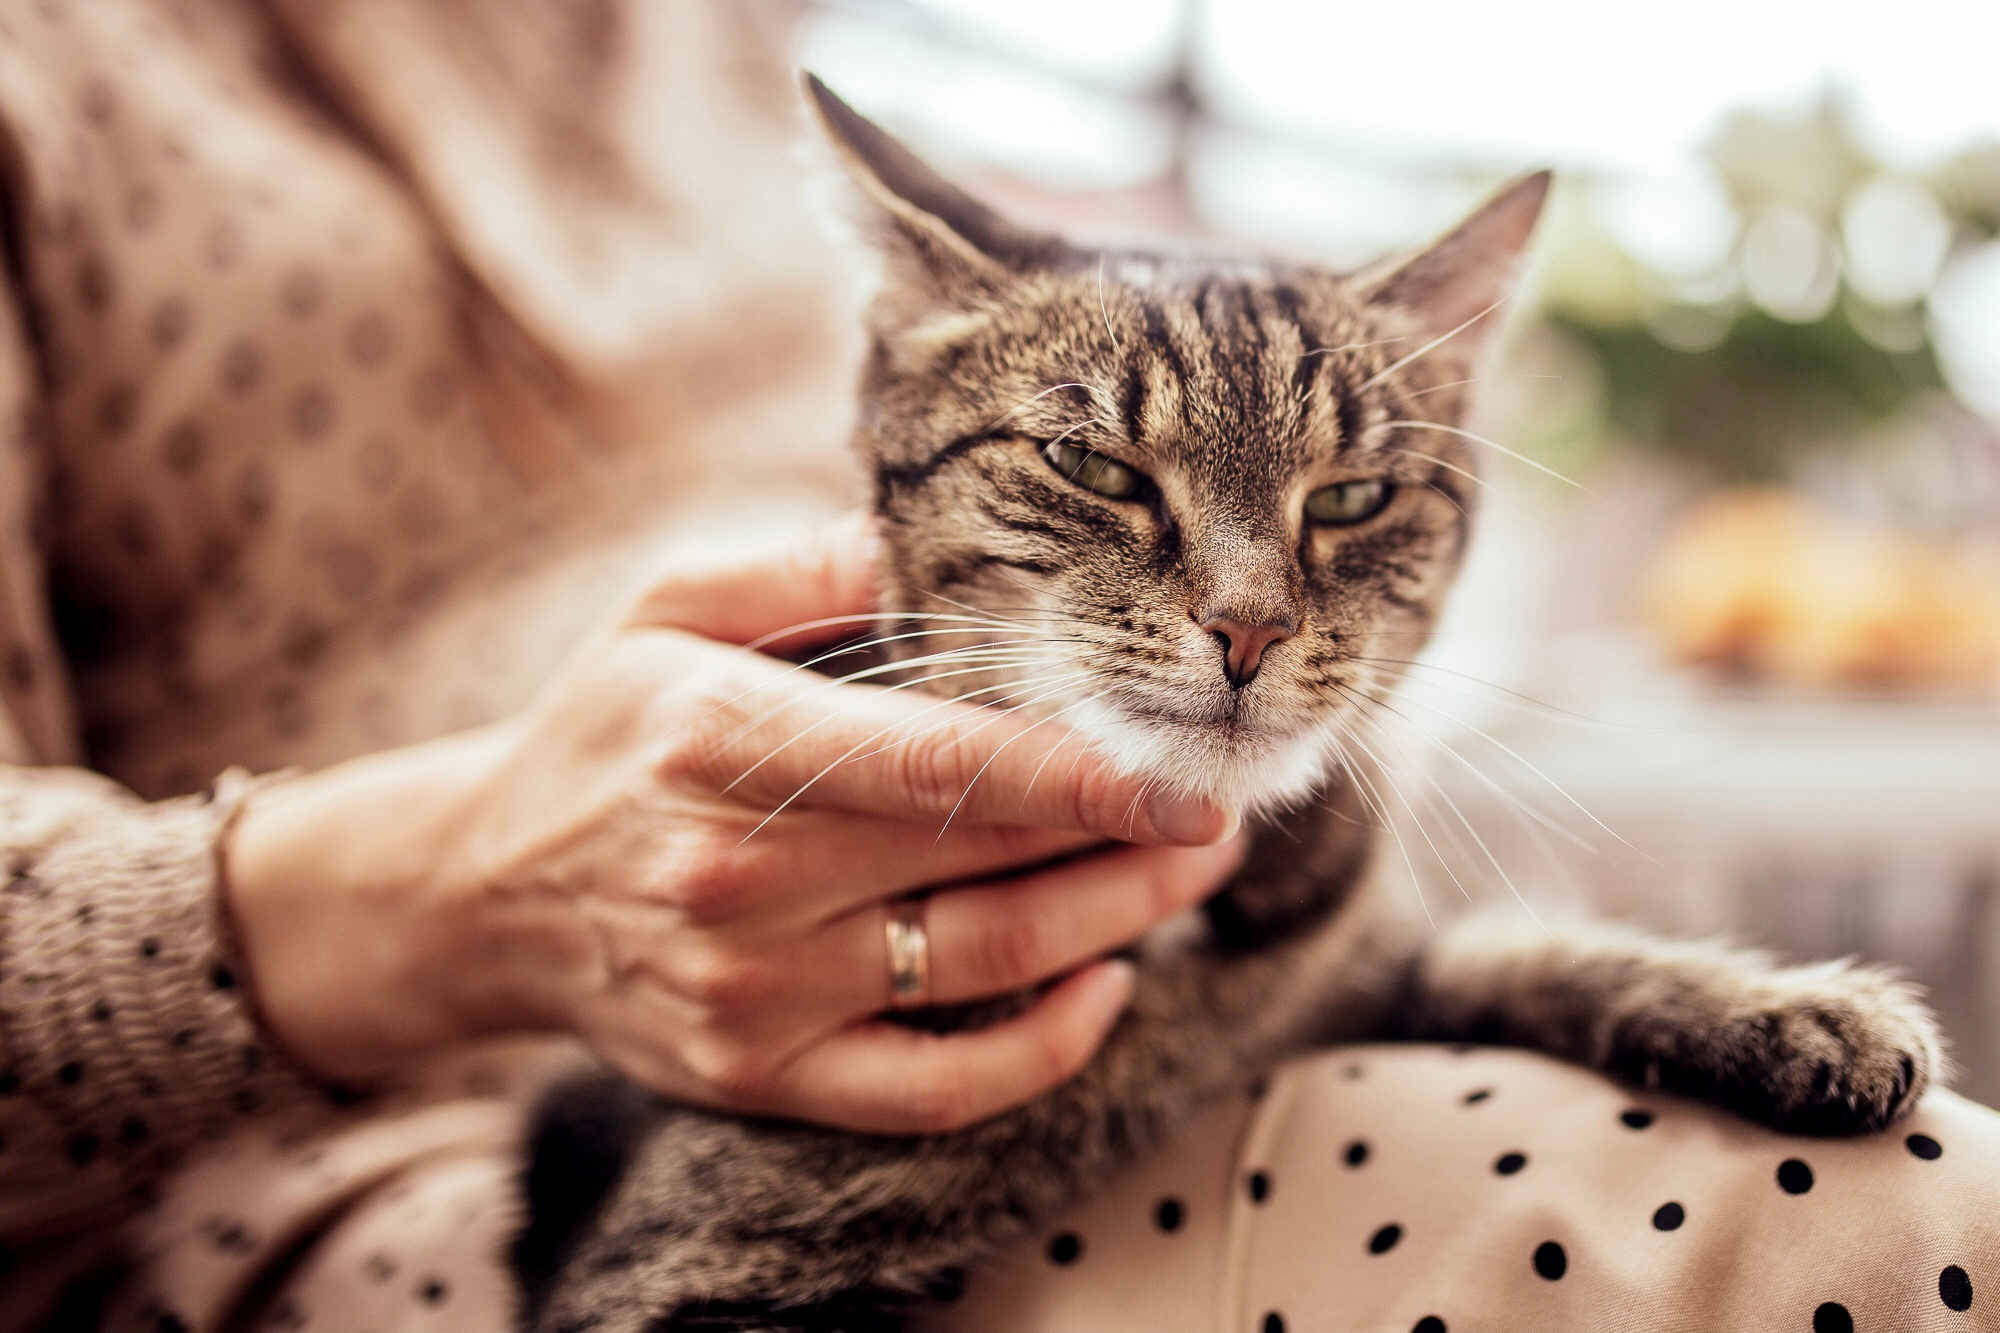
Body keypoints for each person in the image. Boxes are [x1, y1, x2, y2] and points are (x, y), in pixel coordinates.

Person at [0, 3, 1994, 1330]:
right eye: (1105, 480)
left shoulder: (714, 39)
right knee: (1880, 1237)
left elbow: (1367, 967)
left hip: (1047, 841)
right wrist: (465, 888)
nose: (1244, 613)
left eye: (1340, 517)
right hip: (384, 1147)